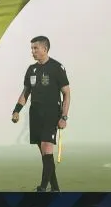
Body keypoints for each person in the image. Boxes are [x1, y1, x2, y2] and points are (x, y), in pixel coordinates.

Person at [11, 35, 70, 192]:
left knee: (47, 147)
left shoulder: (57, 68)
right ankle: (55, 188)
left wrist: (64, 117)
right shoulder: (32, 70)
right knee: (45, 154)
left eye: (35, 48)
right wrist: (16, 110)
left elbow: (67, 93)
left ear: (45, 49)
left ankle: (42, 188)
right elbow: (26, 92)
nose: (33, 51)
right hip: (35, 114)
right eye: (32, 48)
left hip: (51, 114)